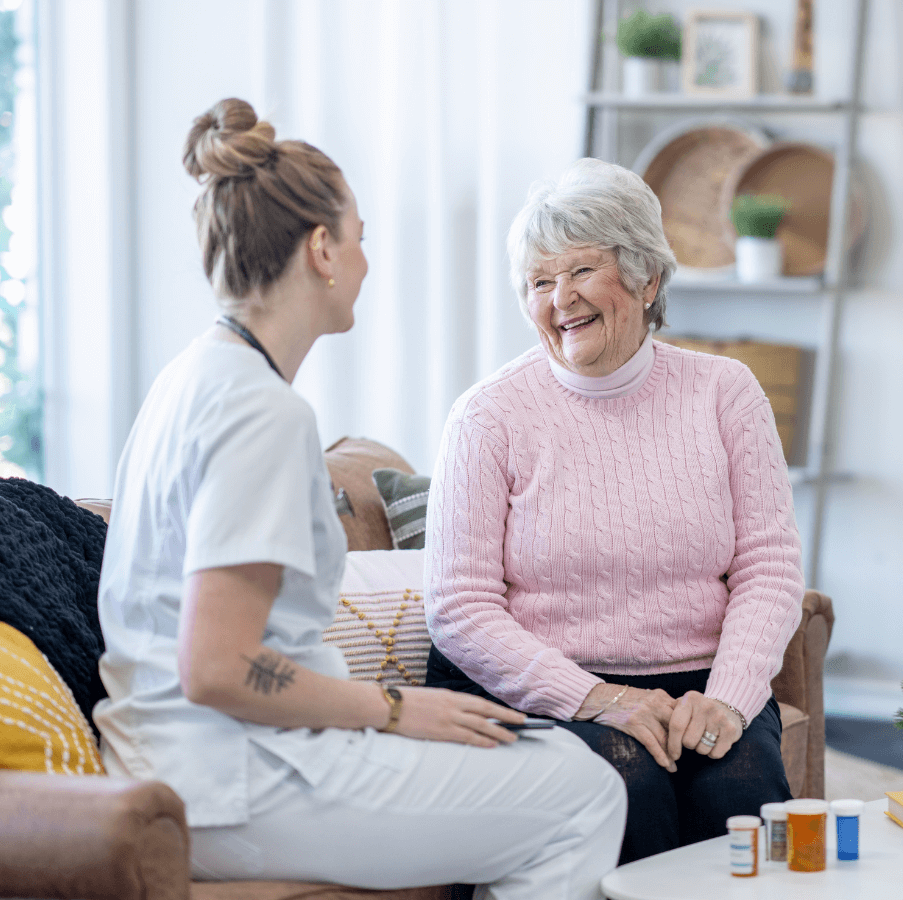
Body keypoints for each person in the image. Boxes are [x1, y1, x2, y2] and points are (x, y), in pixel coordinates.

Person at [93, 99, 625, 898]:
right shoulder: (259, 412)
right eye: (360, 240)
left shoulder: (191, 378)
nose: (367, 263)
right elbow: (215, 668)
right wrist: (395, 709)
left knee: (545, 759)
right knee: (583, 792)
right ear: (321, 251)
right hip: (236, 779)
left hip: (195, 759)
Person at [423, 158, 805, 865]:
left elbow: (770, 566)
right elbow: (458, 606)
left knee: (741, 789)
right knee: (628, 785)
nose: (559, 298)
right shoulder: (489, 416)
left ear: (646, 276)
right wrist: (596, 698)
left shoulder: (726, 392)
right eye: (540, 281)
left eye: (580, 272)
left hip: (700, 682)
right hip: (548, 689)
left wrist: (727, 698)